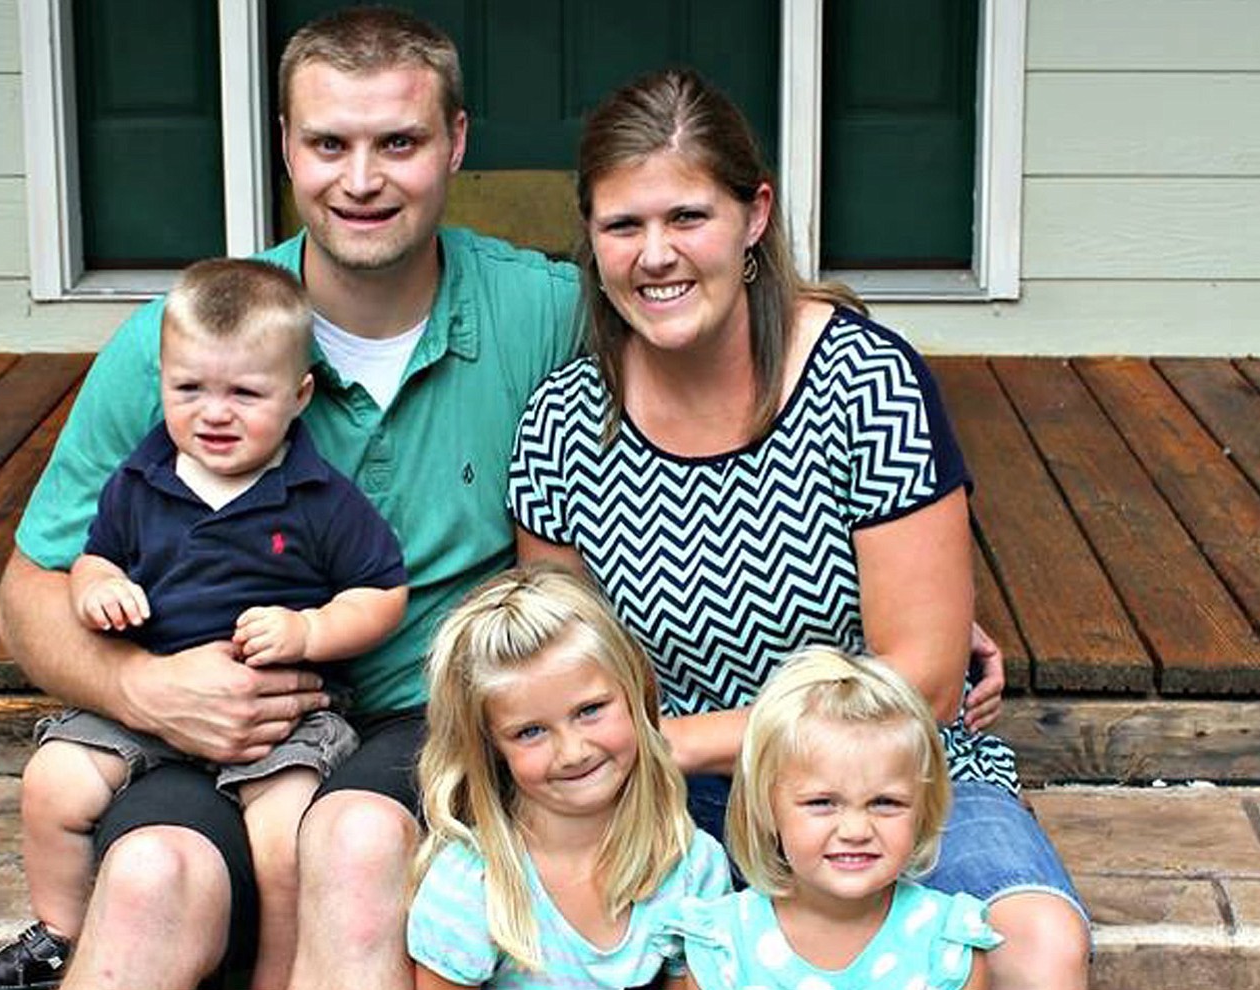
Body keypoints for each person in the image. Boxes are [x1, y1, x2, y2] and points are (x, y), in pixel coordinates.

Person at [0, 8, 580, 989]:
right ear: (283, 147)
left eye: (398, 141)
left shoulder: (544, 311)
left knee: (355, 856)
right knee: (146, 875)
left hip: (415, 719)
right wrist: (145, 691)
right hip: (203, 707)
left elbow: (696, 294)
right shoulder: (184, 337)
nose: (360, 180)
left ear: (457, 142)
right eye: (327, 144)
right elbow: (27, 598)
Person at [507, 69, 1088, 990]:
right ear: (591, 239)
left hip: (880, 772)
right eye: (624, 226)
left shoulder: (865, 383)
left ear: (755, 216)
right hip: (660, 793)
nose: (655, 254)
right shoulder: (564, 422)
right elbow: (556, 665)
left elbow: (928, 680)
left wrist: (683, 738)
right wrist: (648, 761)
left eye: (687, 217)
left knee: (1034, 946)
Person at [0, 259, 408, 990]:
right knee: (52, 782)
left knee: (287, 836)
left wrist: (308, 633)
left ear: (299, 395)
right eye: (189, 389)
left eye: (244, 393)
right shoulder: (141, 480)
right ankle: (59, 937)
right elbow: (93, 557)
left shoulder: (317, 495)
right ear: (163, 382)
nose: (214, 413)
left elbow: (381, 593)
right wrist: (99, 589)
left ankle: (278, 969)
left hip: (280, 721)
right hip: (151, 696)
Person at [408, 565, 731, 989]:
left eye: (590, 710)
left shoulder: (690, 864)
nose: (573, 752)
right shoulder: (469, 888)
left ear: (636, 694)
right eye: (530, 732)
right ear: (492, 748)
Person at [664, 647, 1001, 990]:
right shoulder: (725, 944)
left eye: (885, 802)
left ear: (923, 811)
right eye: (822, 802)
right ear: (766, 810)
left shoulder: (945, 944)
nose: (855, 830)